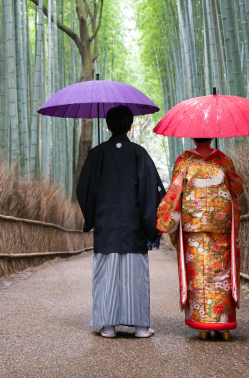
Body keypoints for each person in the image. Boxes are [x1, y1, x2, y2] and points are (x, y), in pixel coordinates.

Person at [76, 105, 165, 338]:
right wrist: (150, 226)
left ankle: (107, 326)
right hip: (133, 227)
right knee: (135, 277)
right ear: (130, 125)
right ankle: (141, 327)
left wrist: (92, 216)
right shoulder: (139, 153)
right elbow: (152, 191)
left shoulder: (96, 154)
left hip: (106, 227)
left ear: (107, 125)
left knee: (106, 275)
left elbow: (83, 189)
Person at [156, 137, 243, 341]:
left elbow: (176, 191)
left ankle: (202, 324)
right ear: (212, 138)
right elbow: (237, 187)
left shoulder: (184, 160)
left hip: (193, 225)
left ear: (193, 139)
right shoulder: (224, 160)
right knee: (222, 272)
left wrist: (165, 214)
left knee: (198, 275)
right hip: (221, 226)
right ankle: (223, 324)